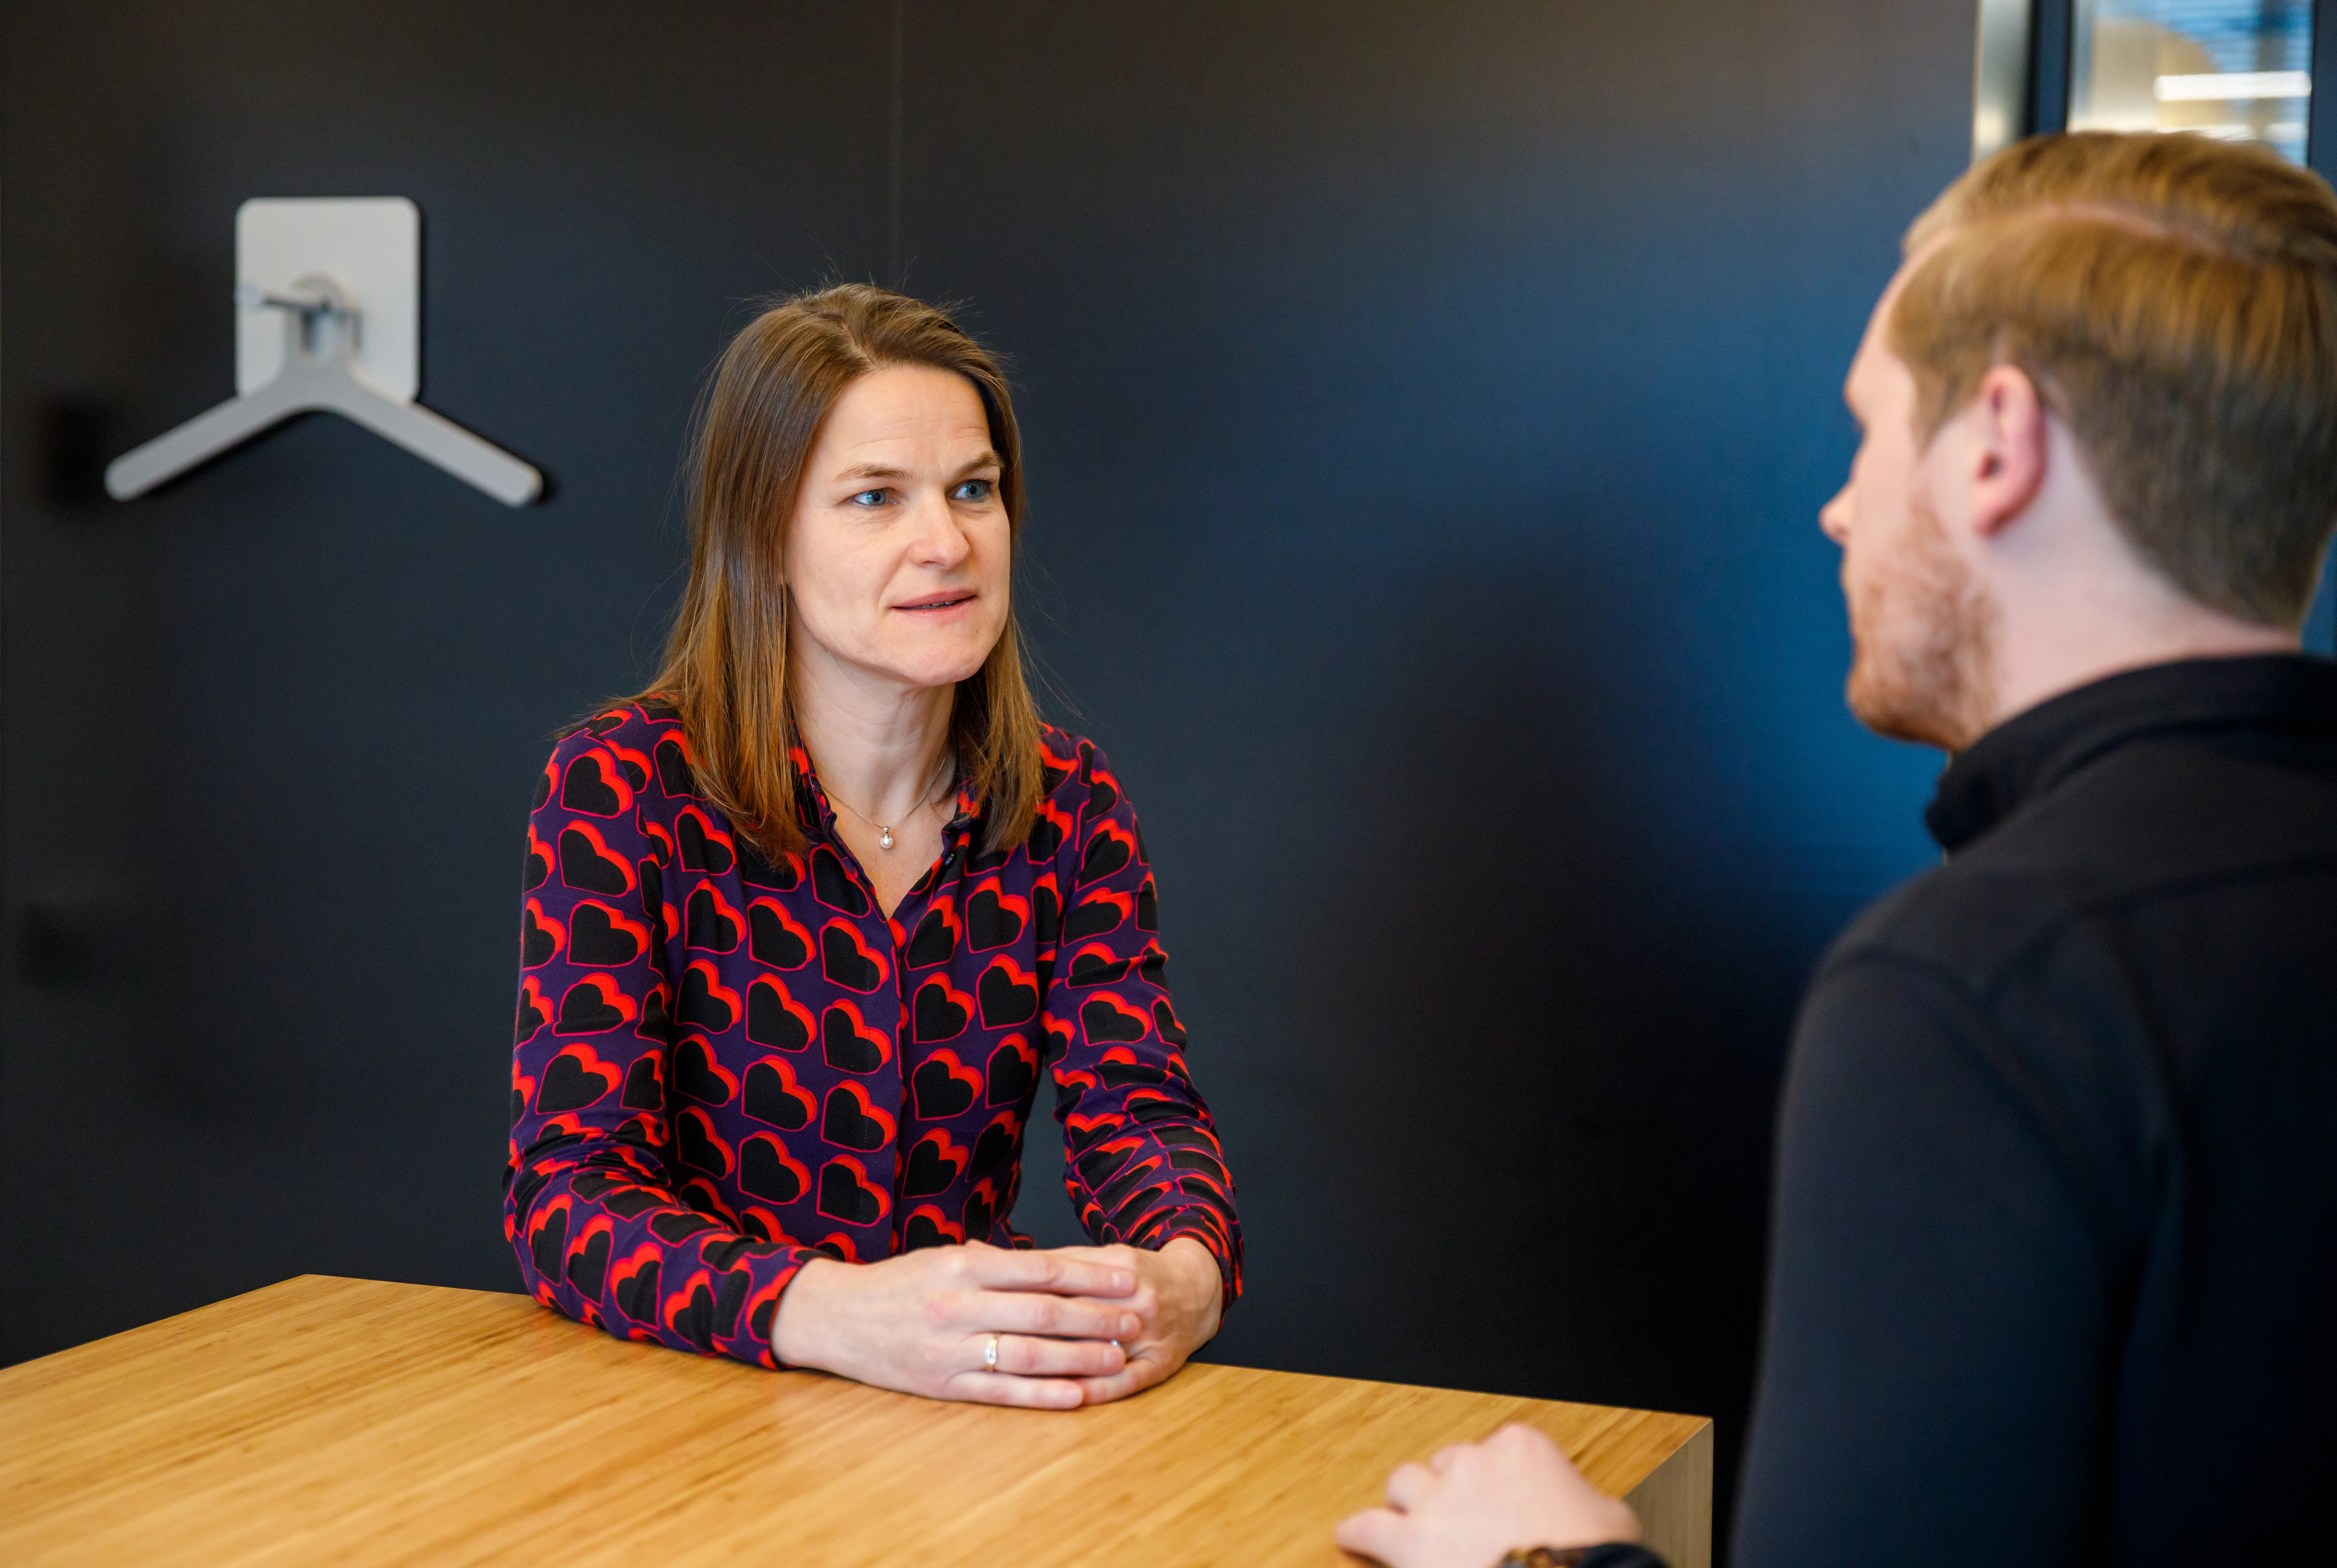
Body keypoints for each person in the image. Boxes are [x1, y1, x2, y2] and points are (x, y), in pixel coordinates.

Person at [1340, 130, 2337, 1567]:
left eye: (1872, 431)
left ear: (1997, 444)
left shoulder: (1978, 991)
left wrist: (1544, 1556)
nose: (1839, 505)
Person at [504, 284, 1239, 1408]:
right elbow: (567, 1195)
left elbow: (1135, 1111)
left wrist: (1182, 1277)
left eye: (973, 491)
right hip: (683, 1401)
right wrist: (839, 1314)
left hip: (963, 1400)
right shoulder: (626, 784)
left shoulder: (1071, 805)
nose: (944, 542)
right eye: (873, 498)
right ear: (768, 539)